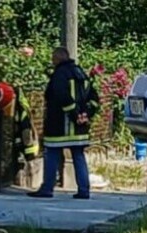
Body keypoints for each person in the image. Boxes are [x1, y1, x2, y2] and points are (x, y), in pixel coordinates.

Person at [28, 46, 100, 200]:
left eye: (53, 58)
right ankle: (84, 190)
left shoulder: (59, 74)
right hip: (80, 128)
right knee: (78, 156)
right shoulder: (81, 73)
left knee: (51, 154)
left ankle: (47, 188)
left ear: (57, 58)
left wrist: (74, 114)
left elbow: (61, 96)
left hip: (59, 126)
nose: (52, 61)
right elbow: (94, 97)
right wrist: (86, 114)